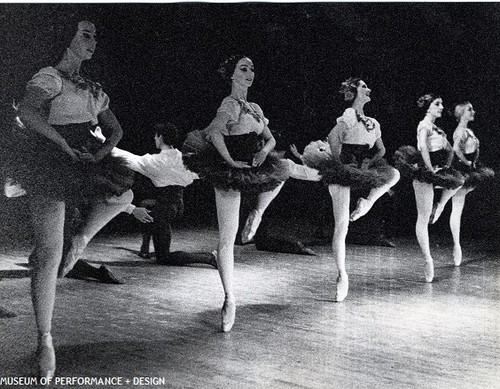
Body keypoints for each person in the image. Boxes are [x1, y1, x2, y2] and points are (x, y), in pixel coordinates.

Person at [13, 21, 135, 379]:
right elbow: (28, 113)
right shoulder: (48, 77)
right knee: (49, 253)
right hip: (50, 158)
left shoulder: (92, 88)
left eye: (96, 35)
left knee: (123, 193)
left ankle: (81, 239)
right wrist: (62, 144)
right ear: (65, 39)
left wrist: (102, 153)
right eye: (86, 34)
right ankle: (44, 338)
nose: (93, 42)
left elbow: (115, 129)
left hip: (85, 154)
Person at [183, 55, 289, 331]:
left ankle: (257, 213)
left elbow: (270, 137)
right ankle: (229, 298)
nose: (250, 72)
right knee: (227, 239)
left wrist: (265, 150)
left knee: (285, 170)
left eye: (252, 68)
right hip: (229, 169)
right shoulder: (229, 104)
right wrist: (230, 161)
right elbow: (215, 133)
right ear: (231, 75)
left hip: (253, 164)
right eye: (244, 69)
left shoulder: (254, 107)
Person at [302, 78, 400, 302]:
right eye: (364, 86)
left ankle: (367, 202)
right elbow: (333, 136)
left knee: (395, 174)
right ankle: (342, 275)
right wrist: (338, 162)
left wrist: (369, 161)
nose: (369, 89)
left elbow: (382, 149)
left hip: (362, 165)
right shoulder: (349, 114)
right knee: (342, 224)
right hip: (345, 166)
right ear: (355, 91)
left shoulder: (373, 122)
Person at [108, 123, 218, 268]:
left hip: (165, 210)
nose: (154, 139)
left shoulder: (157, 161)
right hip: (177, 204)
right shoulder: (183, 158)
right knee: (145, 206)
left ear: (160, 137)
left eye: (155, 136)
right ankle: (145, 249)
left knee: (164, 257)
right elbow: (199, 173)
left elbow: (129, 158)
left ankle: (209, 258)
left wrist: (104, 143)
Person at [394, 94, 464, 282]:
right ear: (428, 107)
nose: (441, 107)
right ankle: (428, 260)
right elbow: (423, 148)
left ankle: (440, 205)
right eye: (437, 104)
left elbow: (450, 150)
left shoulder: (438, 129)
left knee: (459, 182)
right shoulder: (423, 125)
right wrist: (431, 169)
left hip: (438, 169)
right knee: (423, 218)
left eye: (441, 103)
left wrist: (446, 166)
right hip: (425, 171)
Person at [449, 102, 494, 266]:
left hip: (471, 169)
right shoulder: (460, 131)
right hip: (462, 171)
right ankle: (457, 246)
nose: (473, 111)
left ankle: (439, 206)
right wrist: (468, 163)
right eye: (470, 109)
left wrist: (473, 162)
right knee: (457, 208)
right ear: (461, 113)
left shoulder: (468, 131)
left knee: (458, 206)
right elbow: (456, 150)